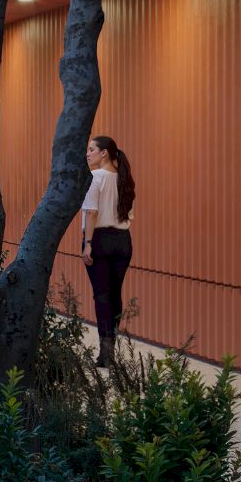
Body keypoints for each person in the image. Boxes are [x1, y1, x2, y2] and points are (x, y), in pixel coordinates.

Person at [81, 135, 136, 369]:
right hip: (123, 241)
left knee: (101, 295)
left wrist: (88, 243)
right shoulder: (125, 180)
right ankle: (111, 344)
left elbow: (92, 213)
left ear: (104, 153)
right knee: (115, 294)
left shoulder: (95, 178)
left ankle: (106, 353)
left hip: (100, 239)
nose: (88, 153)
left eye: (92, 149)